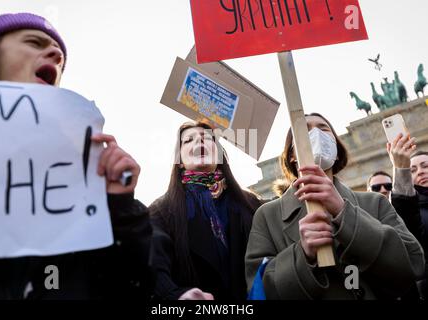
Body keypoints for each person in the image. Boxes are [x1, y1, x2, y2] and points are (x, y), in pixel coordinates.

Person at [0, 13, 152, 300]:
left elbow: (120, 289)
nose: (56, 55)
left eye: (60, 59)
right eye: (34, 42)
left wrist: (119, 206)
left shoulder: (76, 177)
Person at [245, 113, 425, 299]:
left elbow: (412, 265)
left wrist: (344, 212)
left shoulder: (374, 203)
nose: (316, 133)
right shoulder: (267, 216)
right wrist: (303, 255)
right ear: (291, 155)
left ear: (336, 149)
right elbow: (260, 290)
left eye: (323, 129)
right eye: (305, 130)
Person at [149, 121, 262, 300]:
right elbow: (153, 265)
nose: (199, 142)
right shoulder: (160, 212)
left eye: (207, 138)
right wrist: (176, 295)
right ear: (179, 162)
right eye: (188, 140)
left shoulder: (252, 205)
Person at [388, 134, 428, 299]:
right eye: (413, 170)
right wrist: (401, 168)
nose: (420, 171)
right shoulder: (412, 208)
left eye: (425, 165)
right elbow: (406, 216)